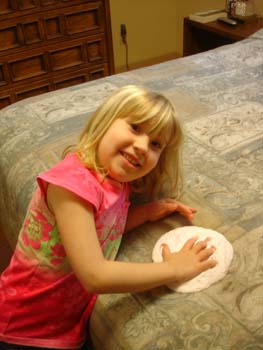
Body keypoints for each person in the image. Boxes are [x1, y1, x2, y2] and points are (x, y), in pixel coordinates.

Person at [0, 85, 217, 350]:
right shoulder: (71, 186)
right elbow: (94, 275)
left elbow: (105, 227)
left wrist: (147, 212)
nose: (141, 146)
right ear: (104, 122)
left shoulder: (117, 180)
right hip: (22, 328)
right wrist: (174, 269)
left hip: (64, 327)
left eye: (155, 144)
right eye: (135, 128)